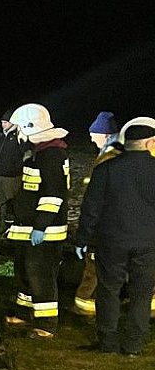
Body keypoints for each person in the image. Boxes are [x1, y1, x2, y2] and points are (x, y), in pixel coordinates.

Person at [74, 117, 155, 356]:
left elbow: (91, 208)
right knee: (142, 294)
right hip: (149, 244)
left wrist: (82, 239)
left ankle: (108, 342)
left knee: (108, 291)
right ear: (150, 143)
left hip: (111, 242)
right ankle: (134, 345)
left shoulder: (106, 169)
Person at [6, 103, 70, 338]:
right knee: (24, 272)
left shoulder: (51, 155)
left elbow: (53, 195)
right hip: (28, 227)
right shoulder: (37, 153)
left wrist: (41, 226)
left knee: (40, 276)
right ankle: (24, 314)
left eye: (19, 130)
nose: (17, 135)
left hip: (44, 230)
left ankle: (46, 325)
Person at [73, 111, 125, 316]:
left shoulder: (109, 158)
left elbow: (98, 198)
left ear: (104, 134)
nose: (90, 138)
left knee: (94, 267)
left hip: (104, 224)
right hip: (117, 224)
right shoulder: (115, 154)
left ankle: (86, 306)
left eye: (93, 134)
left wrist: (86, 232)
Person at [0, 109, 25, 229]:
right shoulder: (2, 136)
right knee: (3, 202)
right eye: (2, 122)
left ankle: (16, 226)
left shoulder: (18, 135)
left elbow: (24, 153)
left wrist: (16, 168)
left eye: (5, 122)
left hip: (11, 176)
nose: (3, 125)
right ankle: (5, 226)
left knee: (13, 202)